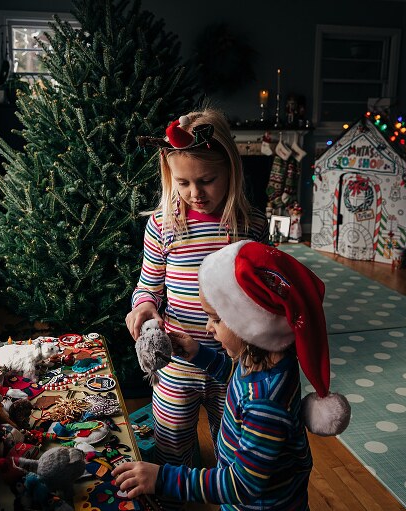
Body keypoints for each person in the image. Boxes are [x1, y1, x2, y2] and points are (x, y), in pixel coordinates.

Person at [115, 240, 352, 509]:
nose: (208, 328)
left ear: (252, 322)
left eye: (216, 318)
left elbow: (242, 485)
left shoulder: (266, 404)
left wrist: (162, 478)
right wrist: (199, 354)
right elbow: (238, 384)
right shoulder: (264, 360)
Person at [126, 107, 268, 475]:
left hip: (235, 364)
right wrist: (143, 308)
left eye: (206, 180)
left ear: (231, 171)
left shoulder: (250, 226)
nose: (194, 193)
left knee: (234, 448)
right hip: (177, 362)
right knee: (171, 443)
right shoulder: (163, 225)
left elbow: (264, 297)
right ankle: (176, 496)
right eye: (183, 182)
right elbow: (148, 285)